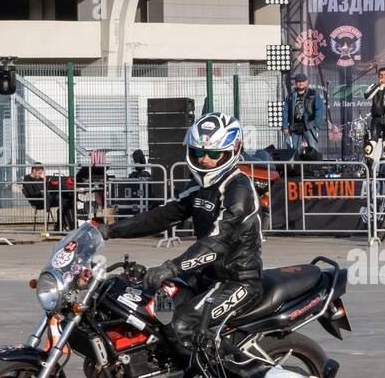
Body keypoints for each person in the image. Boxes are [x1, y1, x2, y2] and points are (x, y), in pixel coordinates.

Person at [102, 112, 262, 355]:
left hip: (238, 280)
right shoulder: (200, 185)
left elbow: (217, 242)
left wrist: (171, 267)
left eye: (214, 154)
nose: (205, 159)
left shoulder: (238, 189)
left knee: (181, 325)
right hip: (204, 275)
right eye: (199, 152)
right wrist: (108, 230)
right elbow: (162, 215)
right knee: (151, 308)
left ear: (232, 151)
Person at [20, 162, 76, 230]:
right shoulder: (27, 180)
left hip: (47, 199)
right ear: (34, 170)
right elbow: (33, 193)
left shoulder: (40, 179)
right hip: (38, 201)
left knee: (68, 199)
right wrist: (43, 191)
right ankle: (64, 226)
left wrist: (48, 183)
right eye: (39, 173)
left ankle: (62, 225)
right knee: (64, 200)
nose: (40, 175)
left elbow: (48, 188)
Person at [281, 73, 323, 158]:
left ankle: (314, 168)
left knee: (313, 148)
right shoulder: (290, 95)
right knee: (295, 150)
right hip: (295, 126)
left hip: (309, 126)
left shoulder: (313, 94)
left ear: (306, 82)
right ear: (296, 83)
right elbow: (285, 111)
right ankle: (297, 169)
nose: (301, 83)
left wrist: (315, 124)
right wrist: (285, 126)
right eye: (299, 81)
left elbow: (319, 110)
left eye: (303, 81)